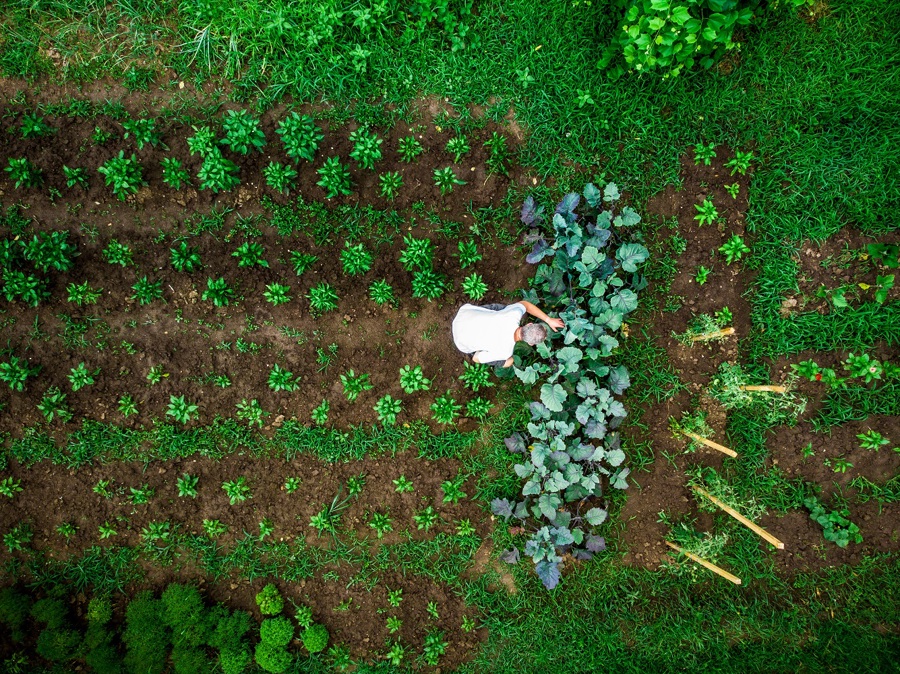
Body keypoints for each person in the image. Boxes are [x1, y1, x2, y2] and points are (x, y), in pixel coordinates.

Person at [451, 300, 564, 368]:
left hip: (464, 314)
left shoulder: (513, 314)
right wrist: (510, 361)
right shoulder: (505, 352)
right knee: (507, 362)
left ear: (529, 324)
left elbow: (526, 305)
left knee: (501, 309)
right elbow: (476, 358)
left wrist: (548, 319)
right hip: (461, 342)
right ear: (530, 343)